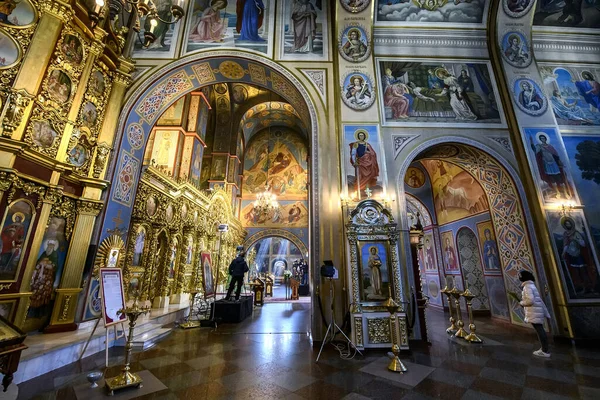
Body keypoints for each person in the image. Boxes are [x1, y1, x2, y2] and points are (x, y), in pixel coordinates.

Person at [518, 270, 551, 358]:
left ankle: (545, 350)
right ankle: (544, 349)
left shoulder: (527, 287)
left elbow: (530, 300)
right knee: (540, 329)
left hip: (534, 311)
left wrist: (522, 303)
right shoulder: (531, 285)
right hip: (536, 310)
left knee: (540, 330)